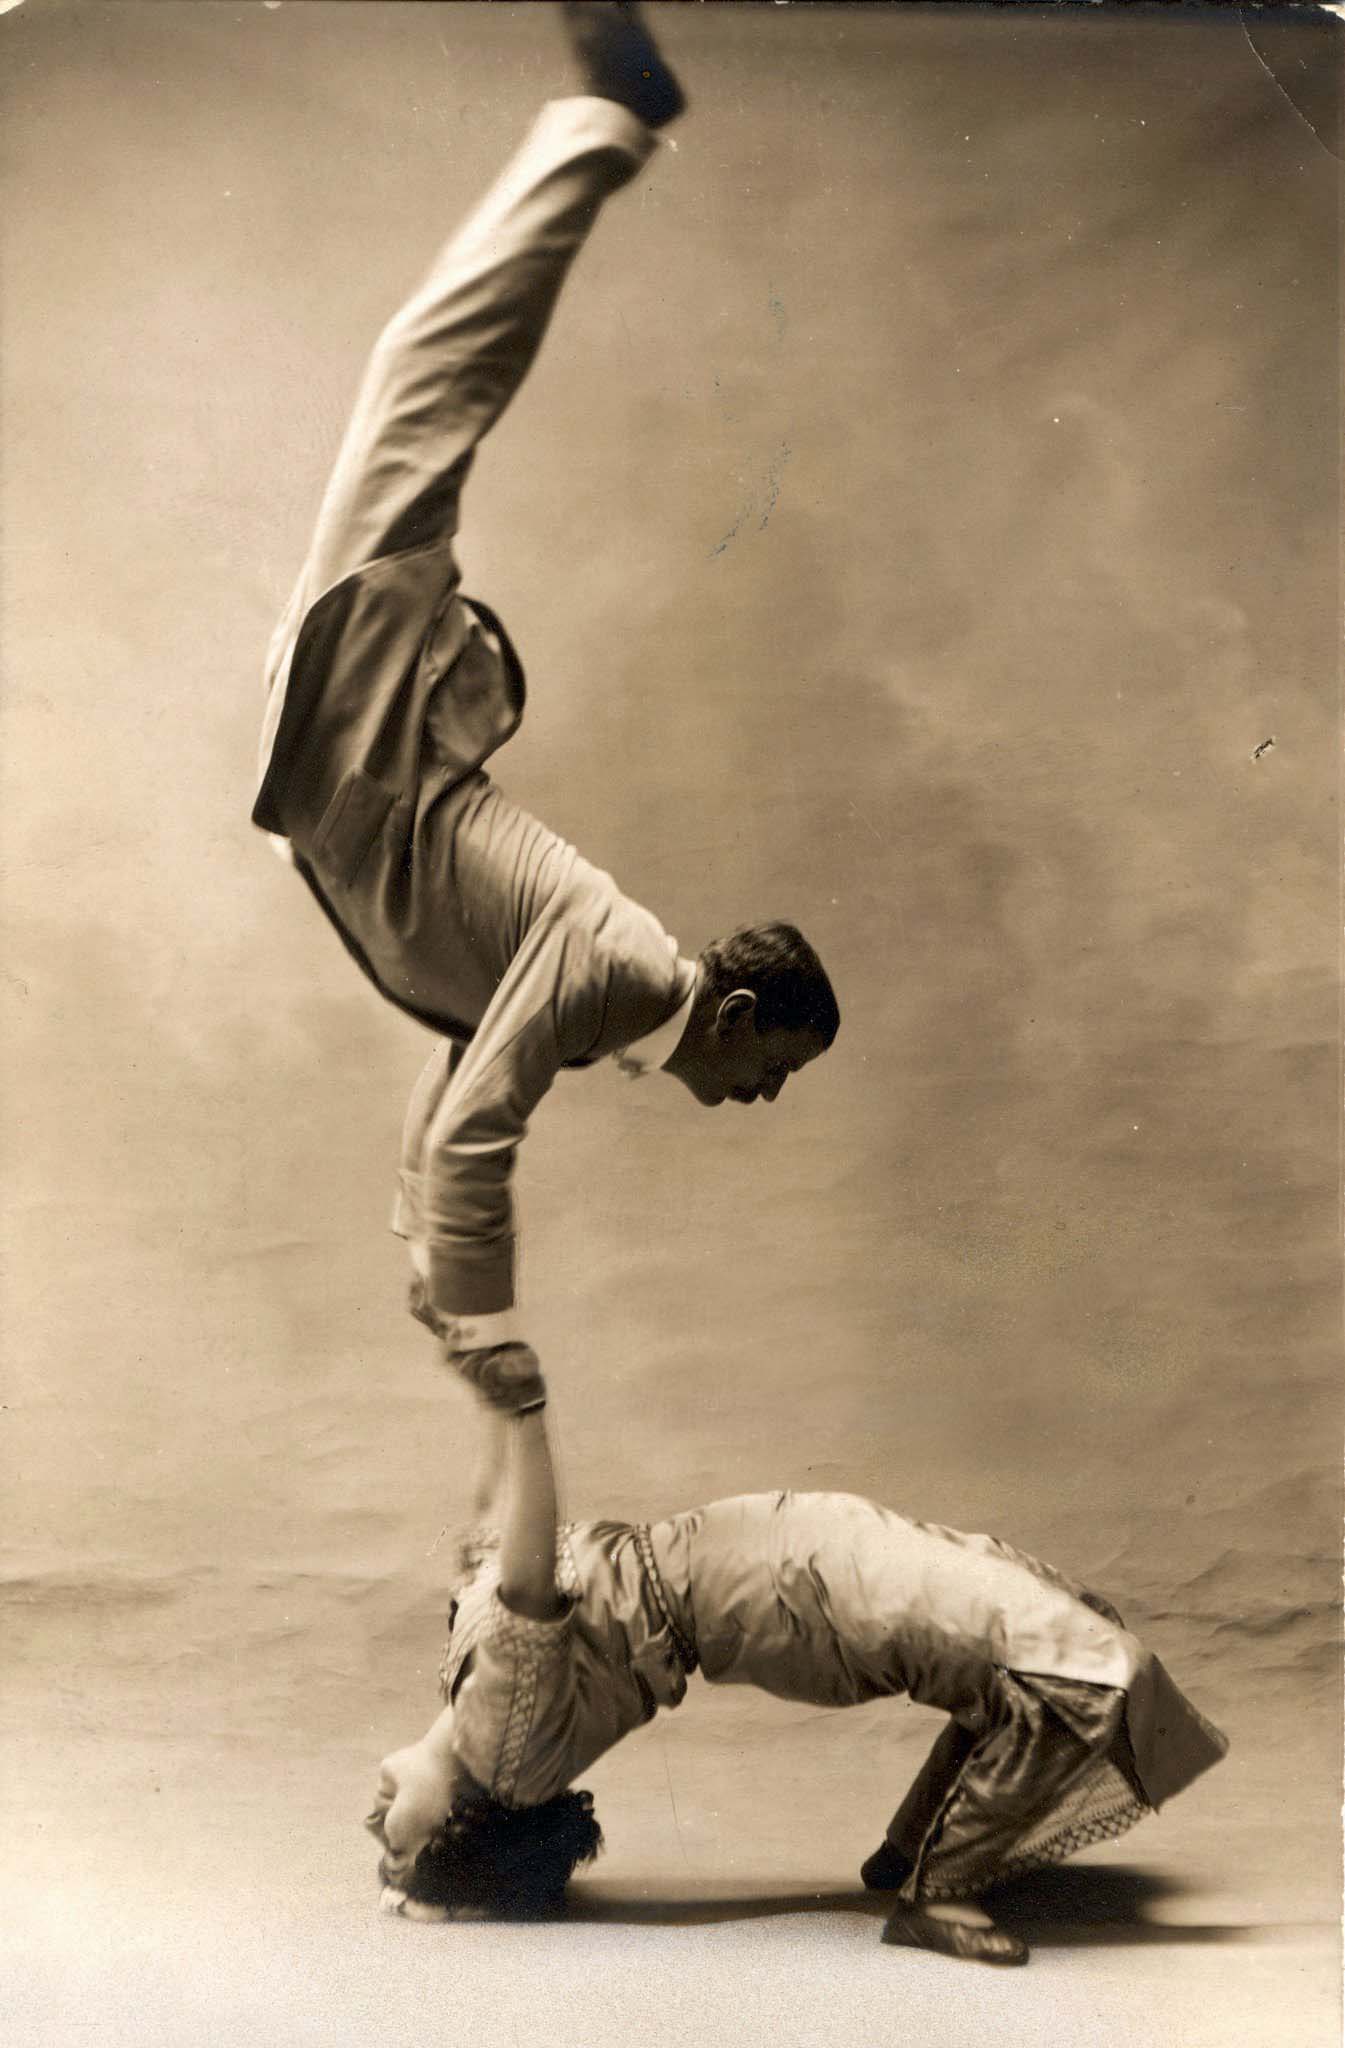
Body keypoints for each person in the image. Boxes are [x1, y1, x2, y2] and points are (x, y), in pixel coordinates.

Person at [253, 3, 839, 1382]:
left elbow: (460, 1063)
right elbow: (479, 1123)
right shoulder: (621, 963)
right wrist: (487, 1327)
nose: (758, 1102)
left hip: (366, 747)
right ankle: (611, 118)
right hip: (380, 726)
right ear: (739, 1020)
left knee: (418, 380)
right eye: (778, 1072)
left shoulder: (599, 1008)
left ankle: (609, 123)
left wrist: (425, 1256)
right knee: (421, 375)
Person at [365, 1369, 1229, 1966]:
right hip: (767, 1593)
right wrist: (523, 1410)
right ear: (462, 1826)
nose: (374, 1827)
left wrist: (476, 1364)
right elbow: (523, 1562)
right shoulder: (496, 1758)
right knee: (1065, 1656)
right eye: (397, 1853)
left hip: (754, 1566)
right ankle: (939, 1894)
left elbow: (486, 1538)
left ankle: (913, 1856)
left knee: (1030, 1622)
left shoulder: (471, 1709)